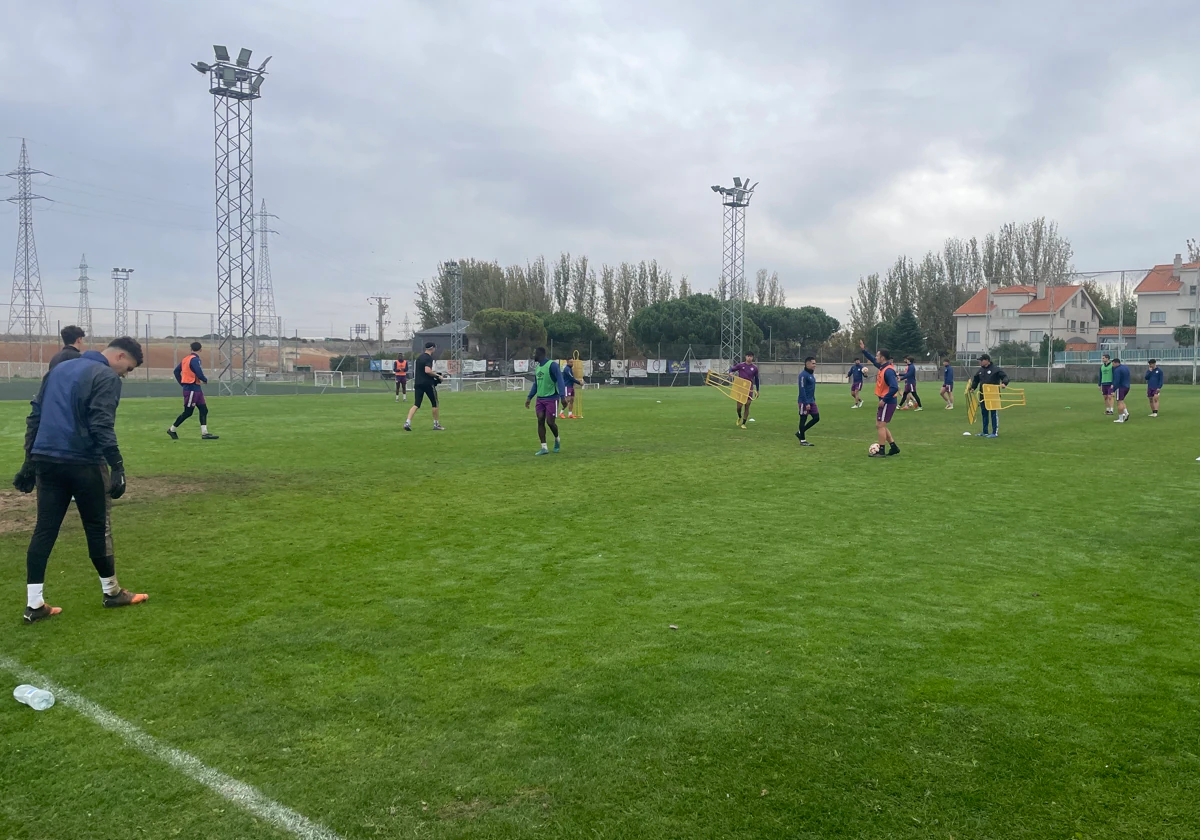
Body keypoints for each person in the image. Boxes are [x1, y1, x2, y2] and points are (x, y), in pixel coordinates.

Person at [11, 337, 148, 624]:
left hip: (46, 460)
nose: (126, 374)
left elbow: (34, 416)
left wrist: (28, 461)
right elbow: (101, 423)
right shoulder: (107, 376)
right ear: (121, 356)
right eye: (129, 368)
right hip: (84, 462)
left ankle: (34, 604)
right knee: (98, 528)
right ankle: (111, 593)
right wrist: (117, 465)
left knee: (44, 529)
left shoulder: (58, 370)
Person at [167, 342, 219, 440]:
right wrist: (204, 379)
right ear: (200, 349)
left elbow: (176, 371)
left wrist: (182, 382)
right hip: (191, 388)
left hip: (196, 388)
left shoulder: (185, 359)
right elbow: (198, 371)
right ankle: (172, 429)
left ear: (191, 349)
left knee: (204, 410)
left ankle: (205, 433)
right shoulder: (195, 360)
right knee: (188, 412)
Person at [859, 340, 900, 457]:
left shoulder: (888, 371)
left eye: (877, 355)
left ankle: (881, 451)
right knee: (880, 425)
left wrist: (884, 400)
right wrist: (863, 350)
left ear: (882, 357)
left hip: (888, 401)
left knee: (881, 425)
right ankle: (893, 447)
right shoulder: (883, 367)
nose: (876, 357)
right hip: (885, 400)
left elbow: (894, 387)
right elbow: (872, 359)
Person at [525, 346, 566, 455]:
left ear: (540, 354)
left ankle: (557, 439)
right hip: (540, 399)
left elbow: (560, 380)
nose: (534, 356)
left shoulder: (552, 365)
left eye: (535, 353)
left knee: (550, 422)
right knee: (540, 419)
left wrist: (563, 396)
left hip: (552, 398)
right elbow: (536, 384)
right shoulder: (538, 368)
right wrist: (529, 397)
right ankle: (544, 447)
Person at [404, 342, 445, 431]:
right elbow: (427, 371)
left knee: (416, 404)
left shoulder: (419, 357)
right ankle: (436, 424)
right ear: (433, 348)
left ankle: (407, 422)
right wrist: (438, 376)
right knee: (435, 403)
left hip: (418, 383)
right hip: (427, 384)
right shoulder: (428, 358)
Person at [967, 354, 1009, 438]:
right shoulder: (980, 370)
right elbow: (976, 380)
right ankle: (985, 431)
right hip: (983, 395)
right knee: (984, 413)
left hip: (993, 395)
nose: (980, 362)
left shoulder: (996, 369)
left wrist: (1004, 383)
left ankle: (994, 432)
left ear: (987, 360)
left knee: (993, 413)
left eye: (981, 360)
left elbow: (1005, 377)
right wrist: (973, 388)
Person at [729, 352, 760, 429]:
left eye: (751, 356)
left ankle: (743, 423)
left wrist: (758, 390)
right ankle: (739, 416)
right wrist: (730, 373)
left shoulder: (755, 368)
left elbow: (757, 379)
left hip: (749, 388)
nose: (749, 358)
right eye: (748, 356)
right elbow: (731, 368)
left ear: (752, 358)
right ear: (745, 357)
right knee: (739, 406)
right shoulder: (741, 365)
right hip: (740, 388)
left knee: (747, 405)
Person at [796, 356, 819, 446]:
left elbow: (811, 389)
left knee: (816, 418)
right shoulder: (803, 375)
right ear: (807, 364)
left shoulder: (811, 374)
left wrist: (813, 400)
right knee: (803, 419)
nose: (815, 365)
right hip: (804, 401)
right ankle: (802, 440)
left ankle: (800, 432)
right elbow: (802, 389)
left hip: (811, 401)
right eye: (813, 363)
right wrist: (806, 403)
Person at [1111, 357, 1131, 423]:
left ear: (1116, 363)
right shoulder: (1126, 368)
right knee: (1121, 401)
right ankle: (1126, 413)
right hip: (1127, 386)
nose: (1112, 365)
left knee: (1119, 402)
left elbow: (1116, 381)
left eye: (1113, 364)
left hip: (1121, 387)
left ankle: (1120, 419)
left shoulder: (1117, 370)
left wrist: (1113, 390)